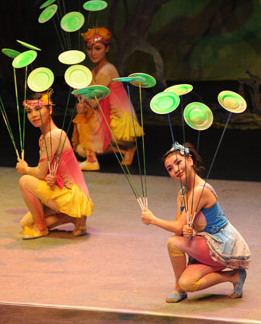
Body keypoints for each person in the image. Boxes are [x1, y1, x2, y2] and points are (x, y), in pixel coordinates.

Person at [141, 142, 250, 303]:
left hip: (221, 245)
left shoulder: (201, 190)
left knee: (173, 243)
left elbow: (176, 229)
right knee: (188, 283)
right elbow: (179, 229)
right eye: (170, 168)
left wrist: (153, 220)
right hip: (205, 245)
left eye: (178, 162)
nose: (175, 170)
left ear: (190, 160)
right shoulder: (182, 194)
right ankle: (233, 275)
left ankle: (178, 288)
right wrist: (186, 231)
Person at [16, 89, 93, 240]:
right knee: (25, 224)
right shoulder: (45, 137)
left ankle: (41, 228)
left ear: (49, 110)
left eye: (38, 109)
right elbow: (46, 173)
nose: (33, 115)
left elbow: (38, 173)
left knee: (24, 181)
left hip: (72, 195)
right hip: (63, 191)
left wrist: (25, 169)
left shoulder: (53, 136)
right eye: (29, 111)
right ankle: (75, 218)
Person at [72, 27, 144, 171]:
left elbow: (92, 101)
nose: (93, 53)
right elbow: (90, 101)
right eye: (89, 48)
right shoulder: (94, 71)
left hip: (119, 121)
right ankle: (125, 150)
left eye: (97, 48)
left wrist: (81, 95)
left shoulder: (107, 70)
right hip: (106, 116)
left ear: (107, 48)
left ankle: (92, 160)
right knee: (81, 149)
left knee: (84, 122)